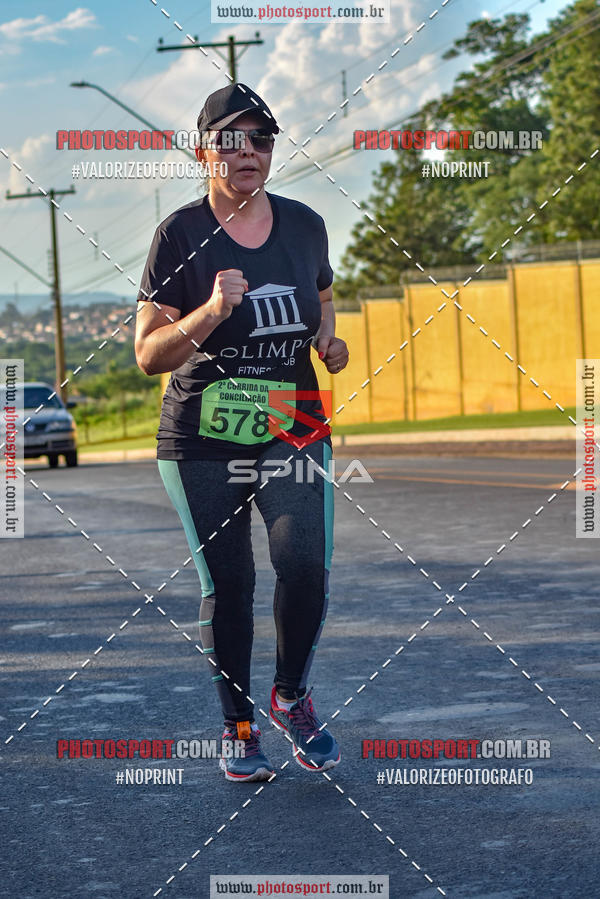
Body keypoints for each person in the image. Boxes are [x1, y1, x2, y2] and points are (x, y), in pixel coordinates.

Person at [135, 83, 349, 782]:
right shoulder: (179, 234)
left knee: (306, 565)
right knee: (230, 583)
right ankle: (240, 727)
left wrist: (328, 338)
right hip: (204, 431)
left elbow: (319, 295)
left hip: (292, 420)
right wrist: (207, 312)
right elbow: (148, 354)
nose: (249, 152)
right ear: (205, 149)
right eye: (232, 139)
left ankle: (290, 694)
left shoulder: (306, 224)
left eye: (261, 138)